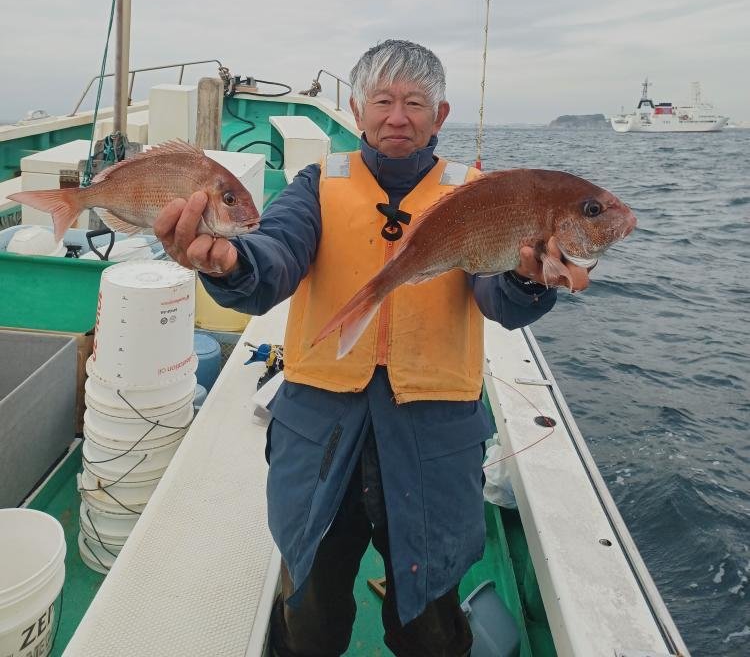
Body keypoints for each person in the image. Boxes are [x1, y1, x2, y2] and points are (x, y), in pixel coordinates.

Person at [155, 40, 591, 657]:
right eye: (383, 101)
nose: (398, 117)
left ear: (440, 116)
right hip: (320, 428)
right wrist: (231, 263)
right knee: (310, 607)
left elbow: (499, 298)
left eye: (416, 103)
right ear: (358, 111)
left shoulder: (479, 194)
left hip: (435, 436)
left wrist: (528, 280)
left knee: (431, 620)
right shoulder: (317, 186)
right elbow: (275, 255)